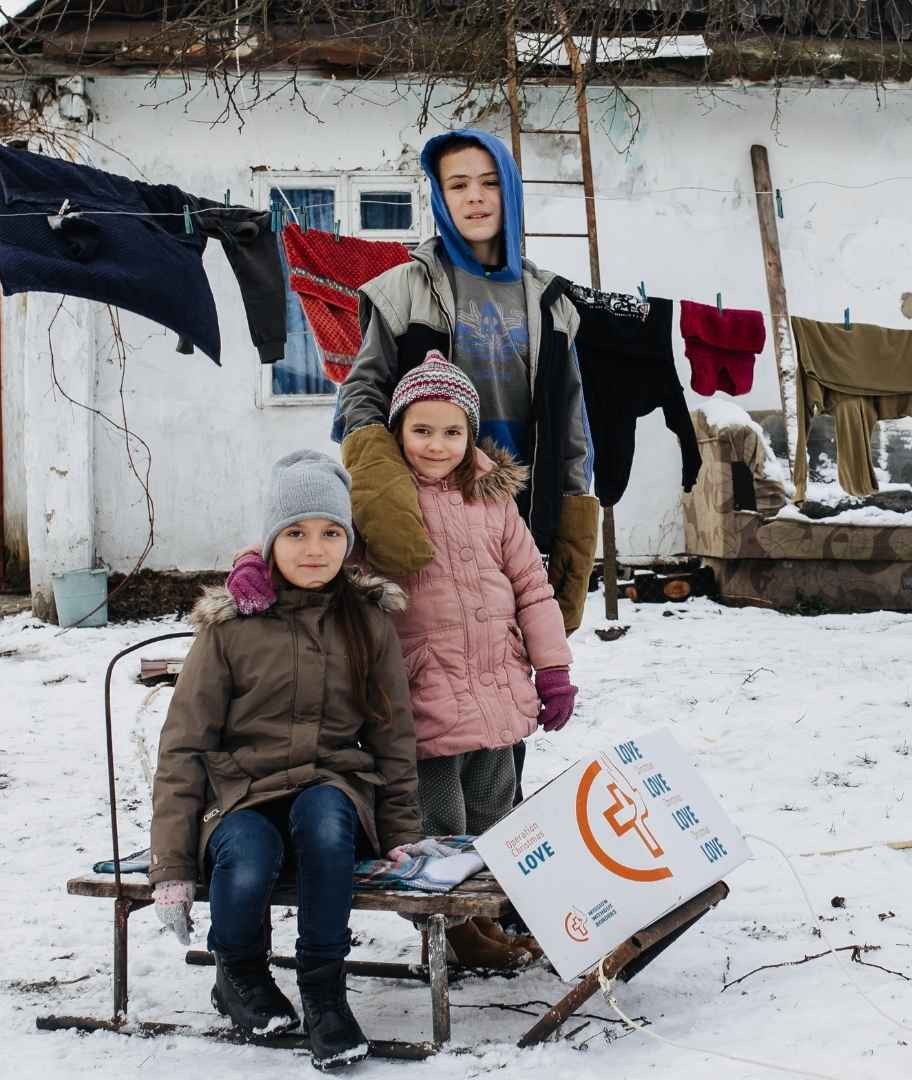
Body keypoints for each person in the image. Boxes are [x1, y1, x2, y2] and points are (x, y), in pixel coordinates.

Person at [148, 450, 438, 1072]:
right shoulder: (230, 627)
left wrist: (404, 834)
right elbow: (184, 746)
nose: (315, 548)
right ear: (272, 540)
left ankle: (325, 994)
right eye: (297, 533)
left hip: (329, 784)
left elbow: (392, 737)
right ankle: (240, 976)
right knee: (247, 861)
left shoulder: (367, 621)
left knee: (330, 826)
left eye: (331, 532)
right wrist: (171, 865)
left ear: (348, 540)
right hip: (241, 795)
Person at [333, 128, 601, 634]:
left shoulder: (553, 304)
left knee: (507, 658)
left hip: (517, 512)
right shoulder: (405, 290)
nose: (474, 196)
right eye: (457, 185)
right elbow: (361, 396)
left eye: (489, 182)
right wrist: (384, 496)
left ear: (512, 192)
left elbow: (572, 426)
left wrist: (573, 534)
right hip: (427, 506)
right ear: (439, 196)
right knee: (431, 657)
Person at [382, 351, 580, 968]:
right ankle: (453, 932)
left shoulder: (492, 499)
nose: (436, 445)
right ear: (398, 431)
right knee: (441, 820)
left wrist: (552, 669)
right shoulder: (381, 498)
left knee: (497, 812)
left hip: (496, 684)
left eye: (451, 431)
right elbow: (318, 541)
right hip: (427, 686)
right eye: (421, 430)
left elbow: (531, 584)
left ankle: (484, 918)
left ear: (470, 434)